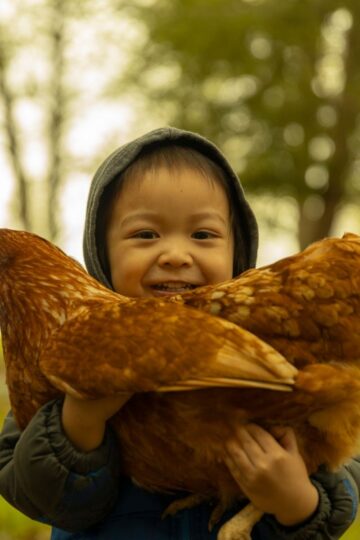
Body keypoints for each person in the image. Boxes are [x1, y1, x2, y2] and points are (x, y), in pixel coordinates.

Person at [0, 126, 359, 540]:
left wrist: (295, 500)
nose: (174, 255)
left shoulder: (277, 340)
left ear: (236, 252)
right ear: (103, 255)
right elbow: (43, 497)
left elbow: (341, 467)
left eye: (202, 235)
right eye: (145, 235)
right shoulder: (64, 373)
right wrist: (79, 419)